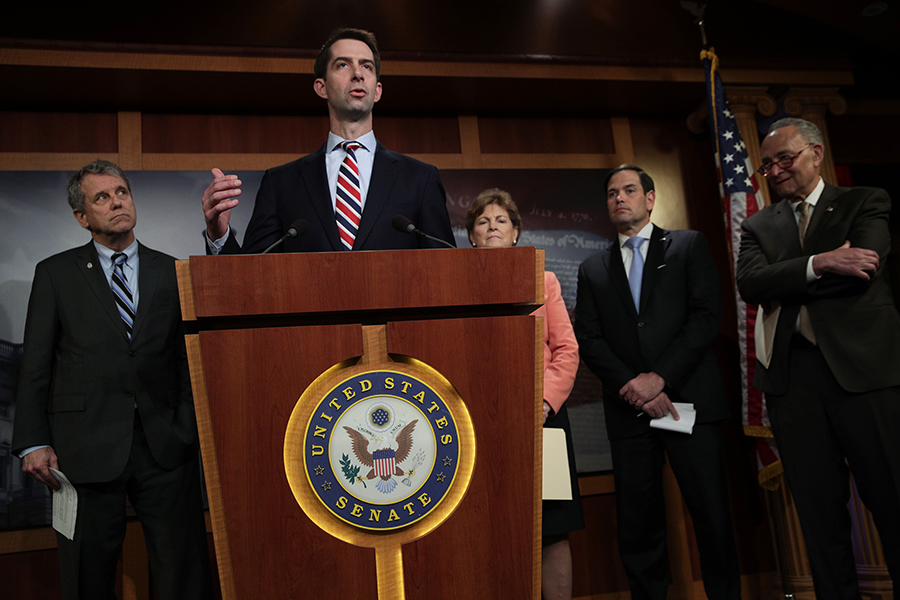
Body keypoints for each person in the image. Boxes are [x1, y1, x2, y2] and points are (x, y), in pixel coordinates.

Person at [12, 160, 213, 600]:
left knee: (184, 570)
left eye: (121, 191)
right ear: (82, 217)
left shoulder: (171, 270)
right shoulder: (56, 273)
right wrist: (31, 441)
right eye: (101, 197)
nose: (116, 201)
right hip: (84, 447)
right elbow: (36, 364)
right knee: (88, 574)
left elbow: (186, 359)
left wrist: (186, 426)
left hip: (165, 446)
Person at [737, 117, 900, 598]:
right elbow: (751, 284)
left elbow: (865, 265)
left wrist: (789, 278)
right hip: (795, 384)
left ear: (816, 152)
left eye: (784, 158)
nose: (777, 169)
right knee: (819, 515)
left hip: (867, 375)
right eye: (767, 165)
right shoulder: (758, 225)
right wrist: (822, 262)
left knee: (892, 501)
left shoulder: (864, 201)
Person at [574, 164, 740, 599]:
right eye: (612, 193)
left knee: (711, 516)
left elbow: (705, 318)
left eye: (629, 190)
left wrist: (659, 378)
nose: (619, 199)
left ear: (650, 198)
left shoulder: (687, 245)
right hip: (631, 413)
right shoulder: (592, 268)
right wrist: (636, 388)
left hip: (688, 404)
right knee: (638, 524)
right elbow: (589, 339)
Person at [201, 27, 454, 254]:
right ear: (321, 87)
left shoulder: (421, 179)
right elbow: (252, 277)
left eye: (367, 66)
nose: (358, 74)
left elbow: (446, 271)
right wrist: (219, 234)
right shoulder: (281, 184)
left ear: (377, 90)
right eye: (343, 65)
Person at [466, 188, 585, 600]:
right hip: (482, 422)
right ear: (472, 237)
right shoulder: (459, 287)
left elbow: (567, 350)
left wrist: (544, 403)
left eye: (501, 220)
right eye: (483, 221)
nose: (492, 226)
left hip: (543, 417)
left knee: (551, 527)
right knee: (494, 526)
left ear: (516, 232)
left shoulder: (544, 279)